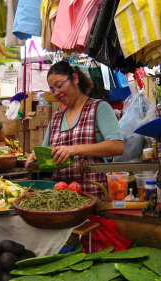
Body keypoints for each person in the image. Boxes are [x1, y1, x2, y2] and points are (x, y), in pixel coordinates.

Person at [26, 61, 124, 197]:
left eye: (59, 85)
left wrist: (73, 149)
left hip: (93, 195)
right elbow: (47, 154)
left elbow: (117, 146)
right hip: (61, 199)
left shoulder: (99, 108)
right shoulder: (56, 118)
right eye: (53, 89)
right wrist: (35, 157)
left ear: (75, 78)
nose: (56, 92)